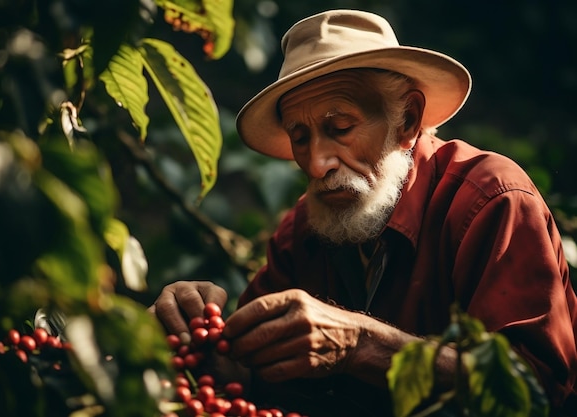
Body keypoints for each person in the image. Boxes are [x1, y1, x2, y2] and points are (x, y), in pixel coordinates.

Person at [151, 9, 577, 416]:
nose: (317, 164)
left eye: (340, 129)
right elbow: (250, 377)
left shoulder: (491, 201)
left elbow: (533, 392)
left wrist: (361, 344)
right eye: (300, 138)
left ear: (408, 120)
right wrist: (196, 341)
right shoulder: (301, 230)